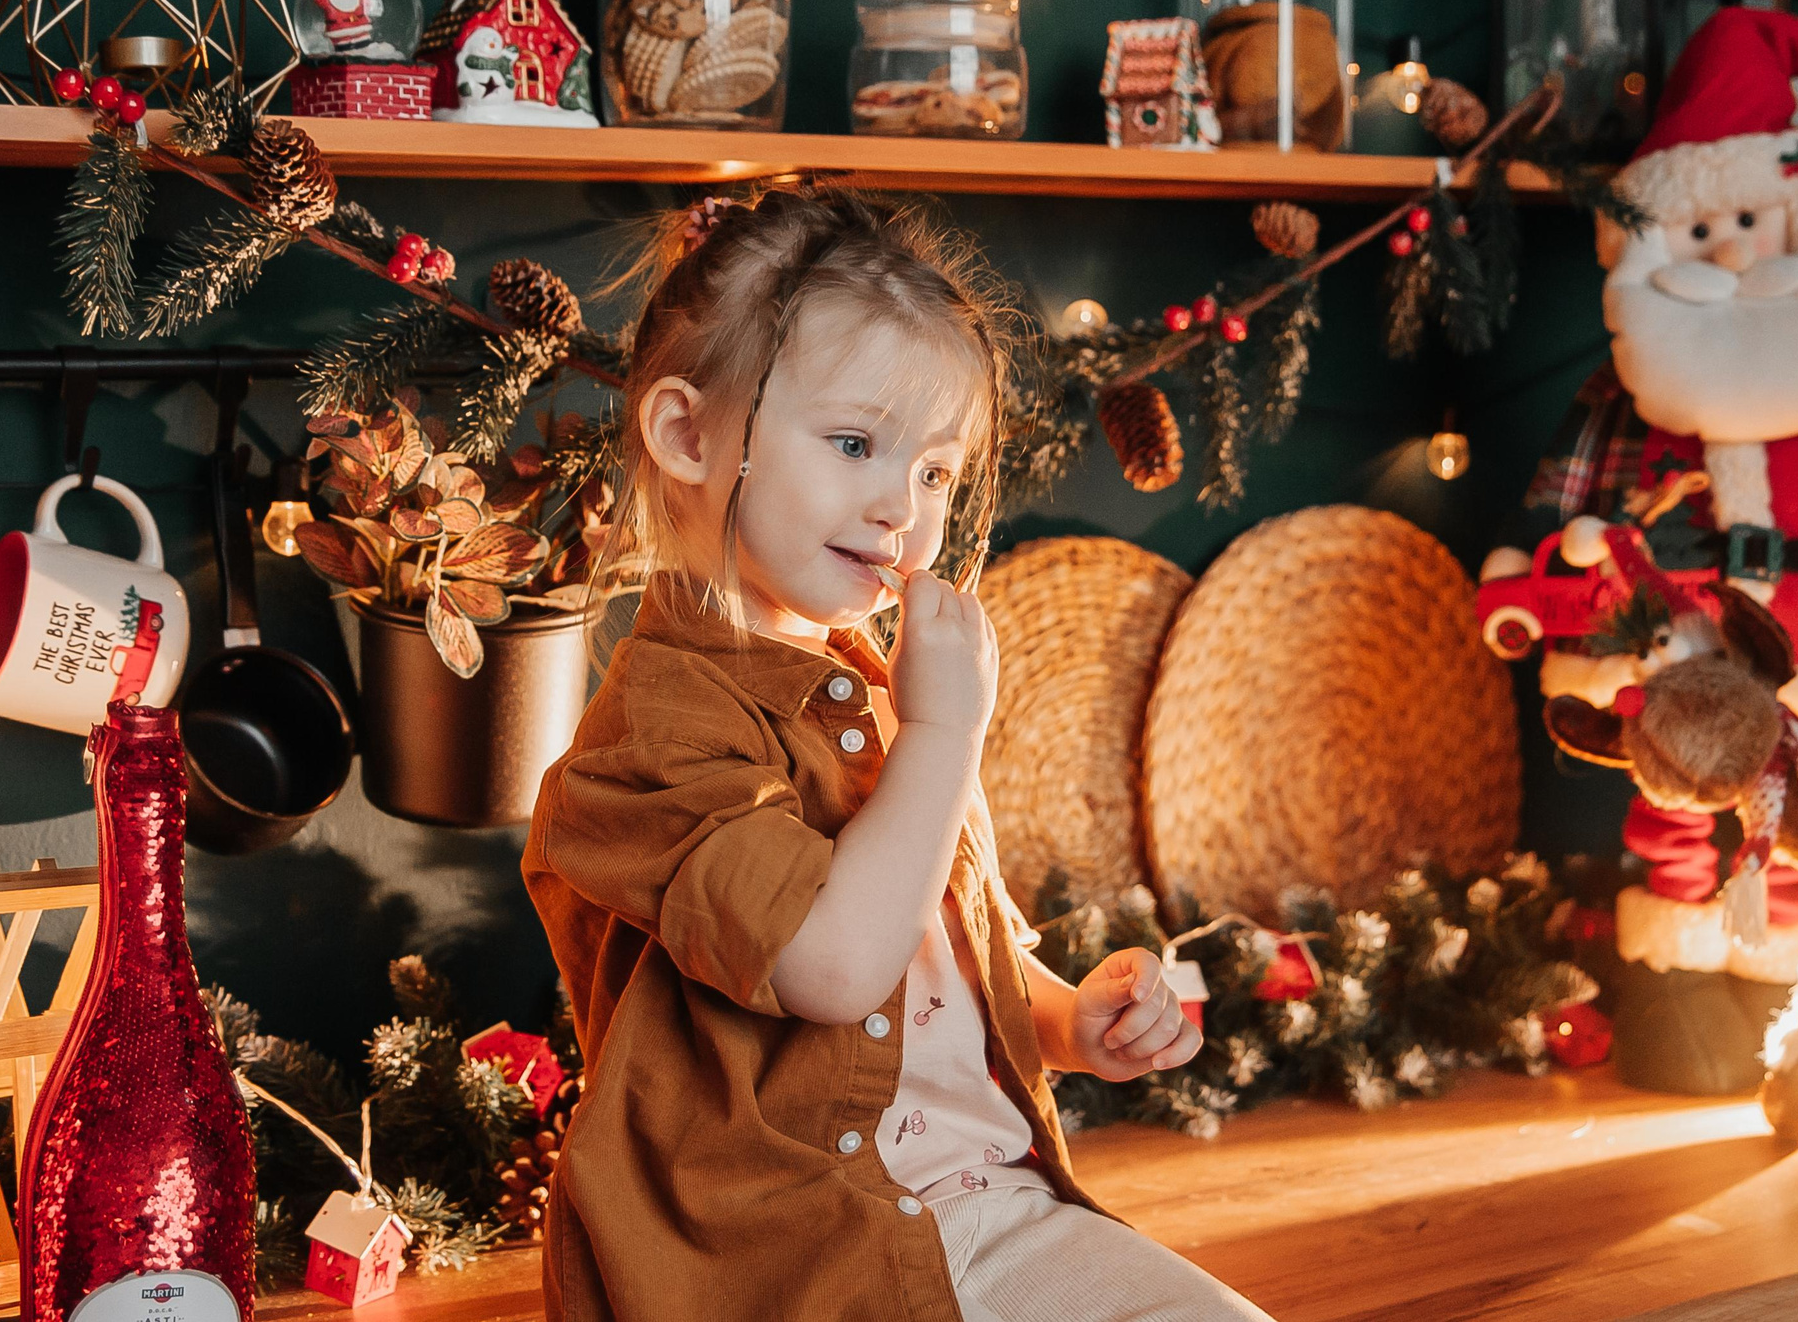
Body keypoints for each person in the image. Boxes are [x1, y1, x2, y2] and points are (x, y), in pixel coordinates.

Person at [522, 187, 1275, 1322]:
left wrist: (1074, 1019)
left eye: (933, 471)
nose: (902, 512)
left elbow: (947, 951)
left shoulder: (877, 691)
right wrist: (943, 734)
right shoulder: (653, 734)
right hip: (777, 1256)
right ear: (685, 435)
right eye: (853, 443)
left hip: (980, 1208)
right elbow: (831, 964)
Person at [1486, 6, 1798, 1094]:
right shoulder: (1626, 394)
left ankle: (1779, 986)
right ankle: (1675, 973)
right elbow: (1558, 491)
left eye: (1747, 228)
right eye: (1700, 237)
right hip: (1669, 643)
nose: (1727, 258)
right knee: (1671, 791)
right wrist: (1520, 569)